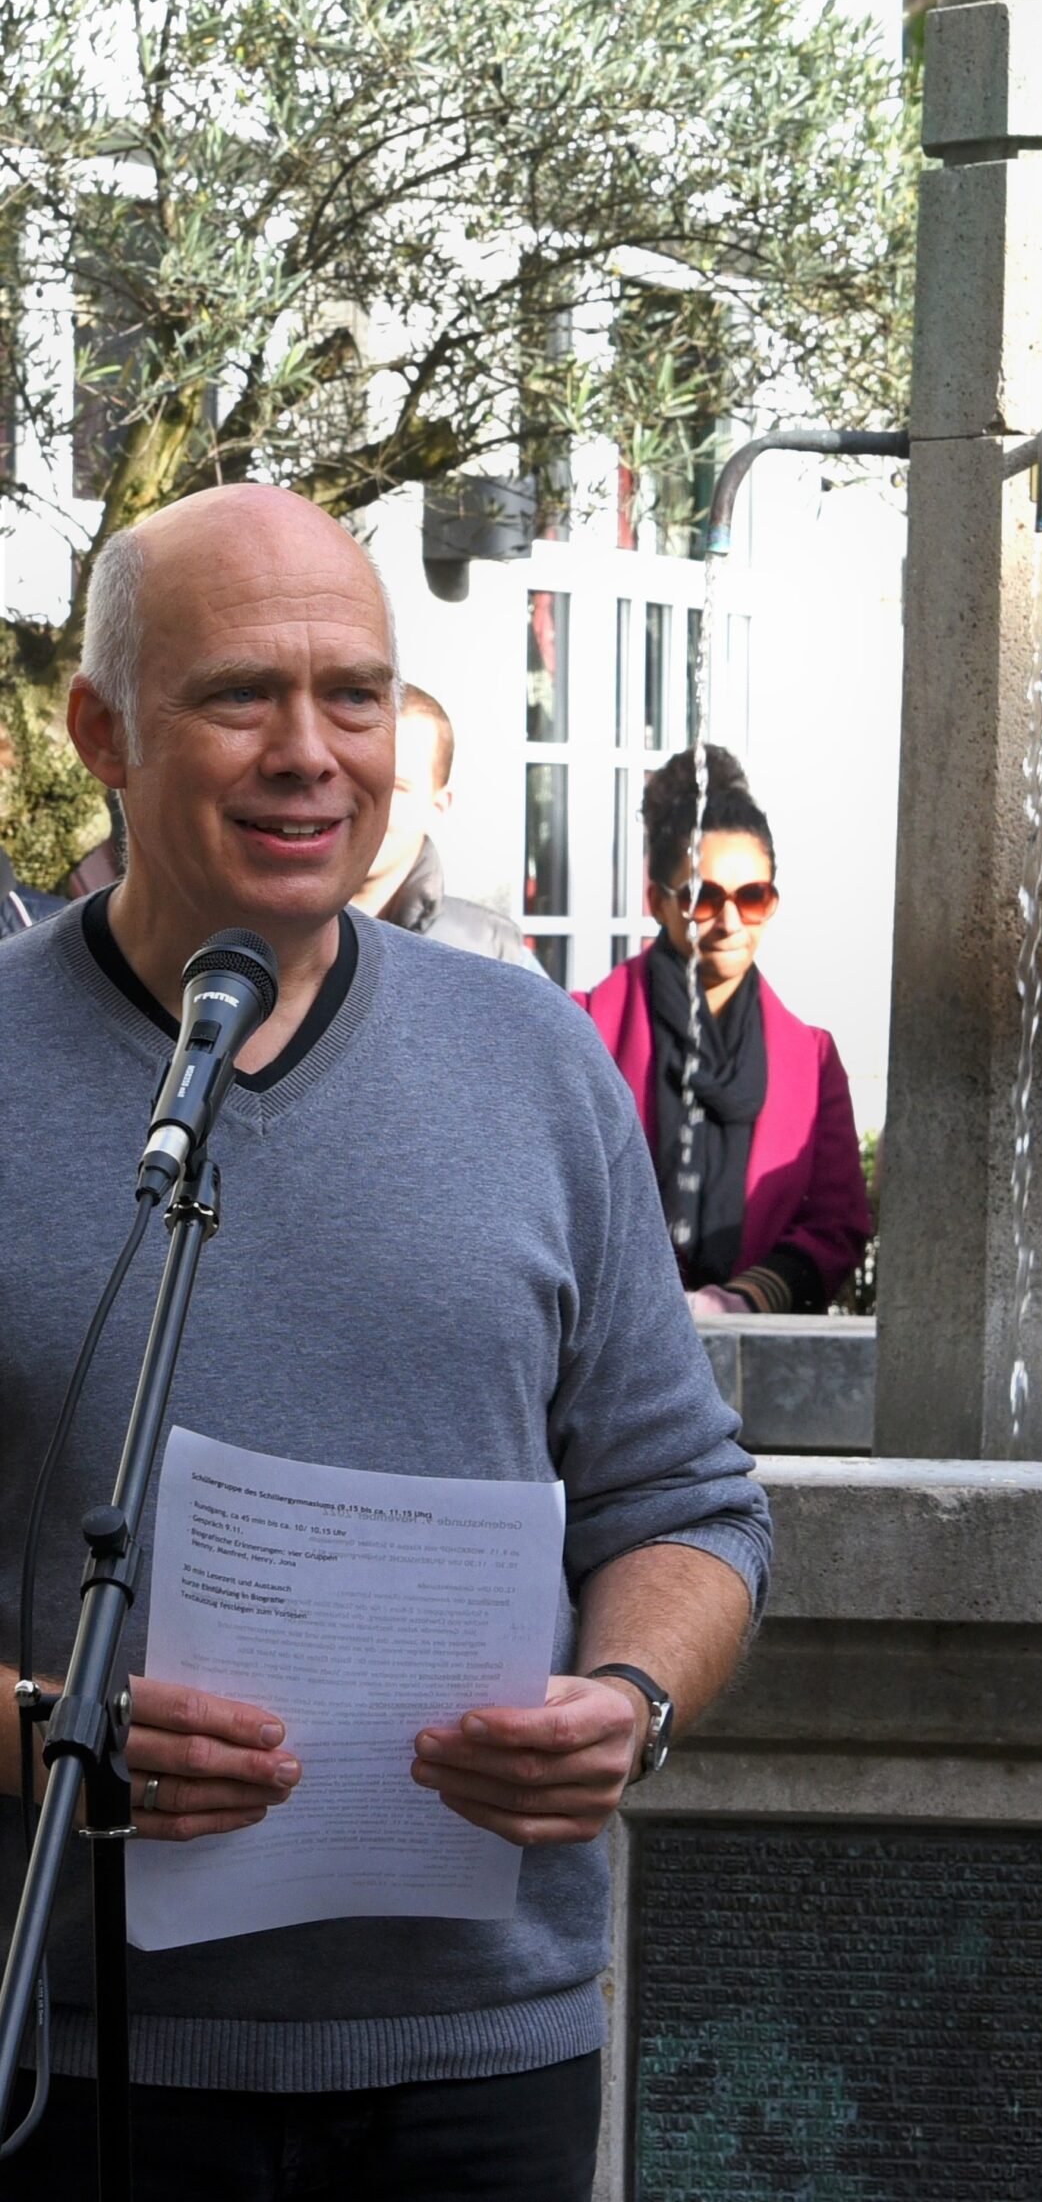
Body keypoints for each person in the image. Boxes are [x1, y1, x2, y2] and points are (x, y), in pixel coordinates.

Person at [0, 484, 769, 2199]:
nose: (310, 752)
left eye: (351, 694)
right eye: (238, 697)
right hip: (63, 2060)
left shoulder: (535, 1064)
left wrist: (628, 1699)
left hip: (474, 2068)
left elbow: (689, 1508)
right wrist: (50, 1729)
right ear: (101, 733)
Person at [577, 748, 871, 1317]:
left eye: (752, 897)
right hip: (606, 1355)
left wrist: (737, 1302)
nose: (730, 921)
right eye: (702, 897)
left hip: (761, 1363)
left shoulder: (812, 1061)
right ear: (658, 903)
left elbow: (836, 1225)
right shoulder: (585, 1030)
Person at [349, 681, 536, 966]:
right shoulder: (267, 938)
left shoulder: (492, 952)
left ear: (437, 805)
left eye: (397, 787)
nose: (371, 807)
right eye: (356, 779)